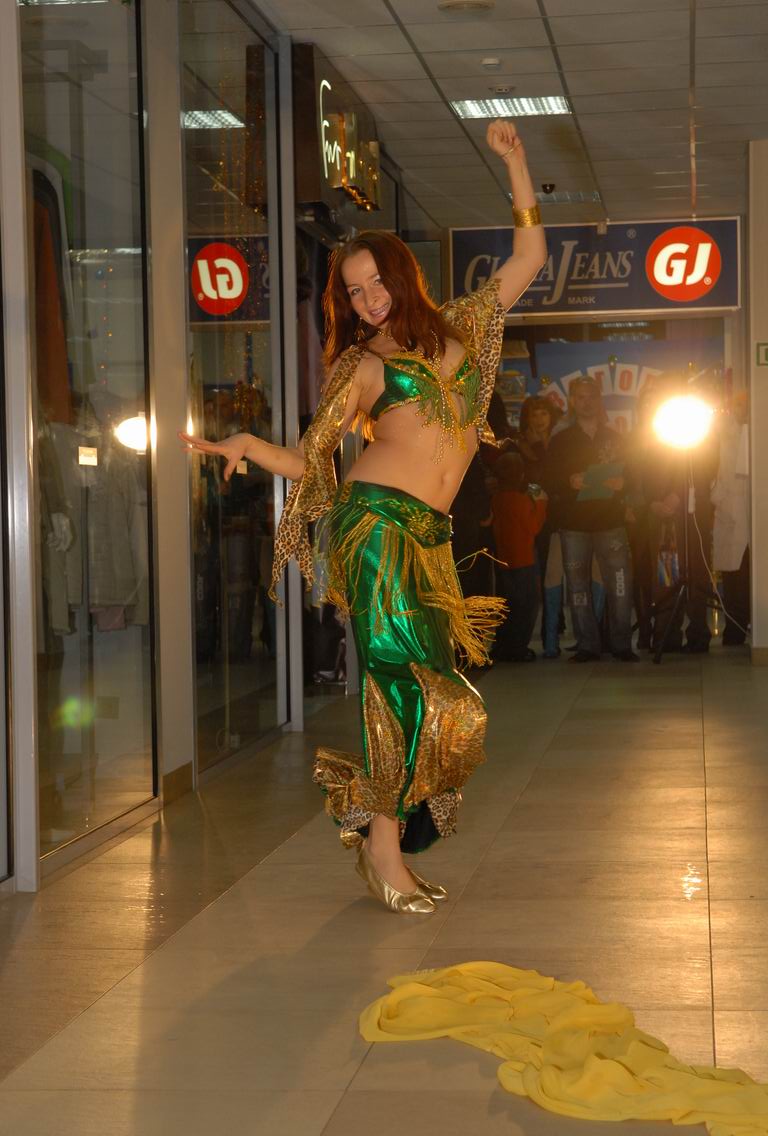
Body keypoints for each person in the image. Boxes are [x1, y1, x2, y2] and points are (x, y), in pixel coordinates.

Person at [180, 119, 547, 915]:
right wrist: (248, 444)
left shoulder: (461, 330)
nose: (369, 297)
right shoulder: (364, 364)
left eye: (376, 280)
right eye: (354, 290)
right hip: (376, 529)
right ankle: (385, 849)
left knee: (443, 700)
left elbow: (529, 257)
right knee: (402, 689)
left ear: (403, 276)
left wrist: (516, 165)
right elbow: (310, 457)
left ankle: (384, 834)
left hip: (430, 539)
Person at [542, 375, 637, 663]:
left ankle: (621, 644)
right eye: (581, 397)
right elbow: (547, 479)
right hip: (574, 524)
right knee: (578, 586)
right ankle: (587, 645)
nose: (587, 403)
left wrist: (624, 483)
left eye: (592, 397)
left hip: (611, 521)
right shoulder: (561, 440)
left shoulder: (615, 438)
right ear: (572, 401)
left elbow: (634, 475)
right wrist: (568, 481)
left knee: (620, 584)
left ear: (599, 400)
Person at [491, 451, 547, 662]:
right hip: (524, 558)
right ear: (521, 475)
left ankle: (503, 645)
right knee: (526, 606)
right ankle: (518, 647)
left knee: (507, 605)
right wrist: (541, 503)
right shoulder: (521, 500)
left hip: (503, 558)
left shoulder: (496, 499)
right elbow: (533, 527)